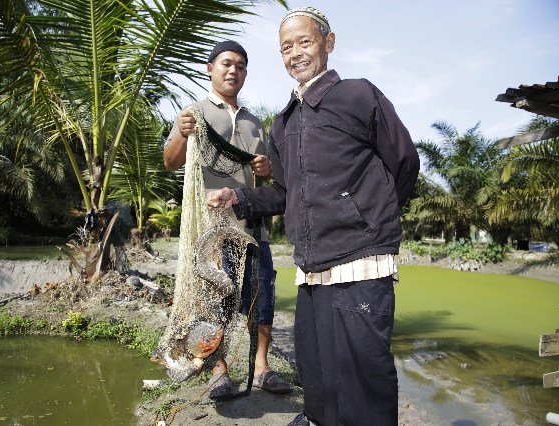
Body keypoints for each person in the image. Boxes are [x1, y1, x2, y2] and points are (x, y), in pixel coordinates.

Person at [206, 7, 420, 426]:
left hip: (361, 262)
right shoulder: (283, 122)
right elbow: (285, 193)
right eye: (286, 47)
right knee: (315, 366)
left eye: (304, 42)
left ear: (328, 42)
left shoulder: (358, 94)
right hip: (311, 268)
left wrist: (368, 219)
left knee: (365, 373)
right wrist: (239, 197)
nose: (295, 54)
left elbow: (405, 162)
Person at [164, 40, 293, 398]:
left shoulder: (254, 123)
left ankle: (262, 367)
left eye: (240, 65)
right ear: (210, 68)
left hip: (253, 230)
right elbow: (171, 161)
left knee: (261, 299)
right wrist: (180, 130)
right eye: (226, 63)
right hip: (210, 234)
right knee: (212, 305)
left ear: (246, 73)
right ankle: (219, 371)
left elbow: (265, 177)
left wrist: (266, 168)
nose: (233, 70)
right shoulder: (194, 112)